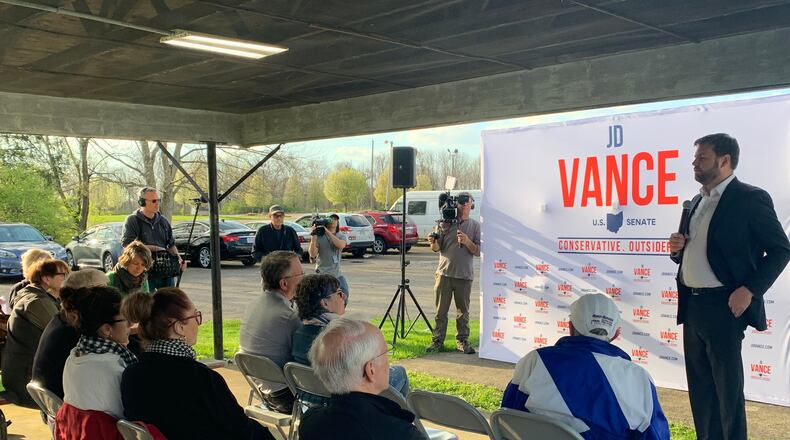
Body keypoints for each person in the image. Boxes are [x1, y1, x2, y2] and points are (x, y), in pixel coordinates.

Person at [668, 133, 790, 440]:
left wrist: (749, 290)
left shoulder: (750, 198)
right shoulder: (696, 201)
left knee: (727, 394)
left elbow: (780, 249)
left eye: (702, 158)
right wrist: (676, 249)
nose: (694, 163)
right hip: (692, 306)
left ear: (724, 161)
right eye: (694, 158)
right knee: (701, 391)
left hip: (724, 306)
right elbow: (693, 254)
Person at [501, 294, 670, 440]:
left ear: (570, 327)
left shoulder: (534, 360)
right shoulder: (639, 377)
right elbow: (655, 435)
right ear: (617, 333)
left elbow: (508, 417)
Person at [121, 288, 274, 440]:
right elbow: (241, 429)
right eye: (196, 316)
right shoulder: (201, 378)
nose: (198, 323)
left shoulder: (130, 374)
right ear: (179, 327)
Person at [299, 318, 423, 440]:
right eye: (386, 353)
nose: (388, 361)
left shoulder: (309, 422)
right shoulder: (400, 433)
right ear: (370, 369)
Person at [291, 274, 409, 397]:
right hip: (343, 399)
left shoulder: (299, 332)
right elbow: (364, 375)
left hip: (311, 397)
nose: (344, 297)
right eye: (339, 293)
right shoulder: (335, 338)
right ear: (324, 303)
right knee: (399, 373)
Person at [239, 250, 302, 414]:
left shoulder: (254, 304)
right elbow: (306, 358)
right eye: (300, 274)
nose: (304, 278)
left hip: (263, 392)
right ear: (284, 284)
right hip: (288, 399)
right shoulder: (288, 316)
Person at [60, 285, 135, 421]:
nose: (131, 325)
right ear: (106, 329)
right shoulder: (114, 371)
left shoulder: (74, 355)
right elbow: (132, 417)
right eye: (127, 320)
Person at [2, 259, 70, 407]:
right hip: (28, 380)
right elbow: (65, 334)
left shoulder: (36, 296)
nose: (67, 278)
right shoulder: (37, 301)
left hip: (25, 373)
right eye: (63, 275)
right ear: (46, 278)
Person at [32, 268, 108, 399]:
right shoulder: (74, 329)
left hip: (55, 399)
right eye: (104, 291)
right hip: (68, 403)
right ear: (88, 296)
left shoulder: (63, 318)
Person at [425, 191, 480, 354]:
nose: (464, 204)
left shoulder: (475, 226)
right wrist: (432, 242)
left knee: (463, 312)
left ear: (472, 204)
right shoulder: (444, 223)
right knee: (440, 312)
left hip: (464, 276)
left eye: (467, 201)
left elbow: (477, 251)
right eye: (461, 201)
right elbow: (436, 248)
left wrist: (467, 241)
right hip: (444, 275)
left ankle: (462, 341)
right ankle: (437, 341)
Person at [121, 187, 185, 292]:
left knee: (170, 303)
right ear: (141, 202)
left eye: (158, 200)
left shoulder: (163, 221)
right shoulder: (132, 220)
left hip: (165, 272)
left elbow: (171, 245)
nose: (157, 203)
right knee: (147, 305)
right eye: (154, 201)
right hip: (144, 273)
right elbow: (127, 246)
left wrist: (179, 259)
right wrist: (153, 248)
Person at [309, 213, 349, 301]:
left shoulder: (340, 235)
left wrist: (327, 232)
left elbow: (341, 245)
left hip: (337, 273)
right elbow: (312, 255)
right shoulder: (319, 237)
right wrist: (313, 239)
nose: (334, 221)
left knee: (345, 294)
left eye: (336, 219)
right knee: (325, 298)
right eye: (331, 219)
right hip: (322, 273)